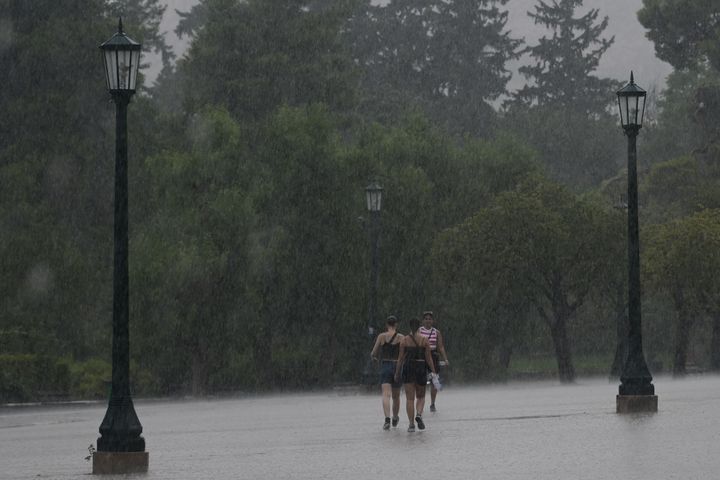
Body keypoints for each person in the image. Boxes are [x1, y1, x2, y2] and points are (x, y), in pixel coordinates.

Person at [394, 318, 436, 432]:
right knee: (421, 396)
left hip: (408, 368)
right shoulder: (424, 340)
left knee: (410, 399)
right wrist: (433, 371)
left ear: (409, 326)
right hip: (421, 368)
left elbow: (400, 359)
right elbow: (429, 358)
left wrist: (397, 373)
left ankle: (411, 424)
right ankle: (418, 414)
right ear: (419, 327)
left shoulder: (404, 340)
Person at [370, 316, 404, 430]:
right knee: (396, 396)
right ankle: (395, 417)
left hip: (385, 365)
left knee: (386, 394)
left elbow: (373, 353)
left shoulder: (382, 336)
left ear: (387, 325)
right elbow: (404, 354)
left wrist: (375, 358)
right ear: (396, 325)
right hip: (397, 366)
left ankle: (387, 420)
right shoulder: (401, 337)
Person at [419, 311, 449, 412]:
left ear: (433, 321)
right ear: (423, 320)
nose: (428, 321)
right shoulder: (419, 331)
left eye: (430, 319)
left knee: (434, 380)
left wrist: (445, 358)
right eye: (426, 319)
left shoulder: (437, 332)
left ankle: (432, 403)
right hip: (422, 356)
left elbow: (440, 347)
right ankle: (420, 402)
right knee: (421, 381)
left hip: (433, 355)